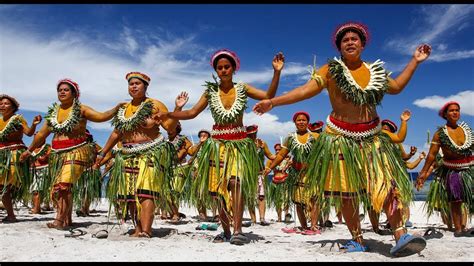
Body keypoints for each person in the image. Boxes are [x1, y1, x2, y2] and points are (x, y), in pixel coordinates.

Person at [253, 22, 431, 255]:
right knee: (347, 194)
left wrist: (414, 62)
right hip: (340, 138)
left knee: (387, 187)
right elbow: (305, 90)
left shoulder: (374, 71)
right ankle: (358, 239)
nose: (350, 42)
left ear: (362, 44)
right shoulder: (330, 70)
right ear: (339, 46)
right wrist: (273, 102)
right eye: (345, 40)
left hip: (372, 138)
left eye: (354, 39)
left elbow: (396, 87)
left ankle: (400, 235)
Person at [160, 49, 285, 245]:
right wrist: (171, 113)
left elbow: (268, 95)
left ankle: (237, 229)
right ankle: (226, 229)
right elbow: (192, 113)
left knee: (236, 183)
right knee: (217, 189)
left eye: (227, 67)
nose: (224, 70)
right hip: (216, 145)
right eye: (220, 68)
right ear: (216, 70)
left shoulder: (242, 88)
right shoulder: (210, 91)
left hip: (238, 144)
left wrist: (276, 72)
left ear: (234, 69)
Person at [20, 78, 123, 229]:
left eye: (66, 90)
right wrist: (29, 151)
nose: (62, 92)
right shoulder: (53, 114)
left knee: (64, 185)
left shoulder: (82, 109)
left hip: (77, 151)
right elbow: (41, 135)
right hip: (57, 154)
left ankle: (59, 220)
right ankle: (66, 219)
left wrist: (115, 109)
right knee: (58, 188)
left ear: (75, 94)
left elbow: (101, 117)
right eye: (59, 90)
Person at [94, 72, 182, 238]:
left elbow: (170, 127)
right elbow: (116, 133)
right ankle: (137, 228)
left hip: (151, 152)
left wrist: (177, 108)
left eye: (137, 84)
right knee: (129, 195)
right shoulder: (124, 109)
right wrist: (103, 152)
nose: (133, 86)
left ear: (145, 87)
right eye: (131, 84)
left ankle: (146, 230)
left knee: (146, 191)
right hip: (127, 153)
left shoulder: (155, 104)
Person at [416, 101, 473, 237]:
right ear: (445, 114)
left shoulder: (466, 130)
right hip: (452, 170)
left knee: (469, 198)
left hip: (468, 168)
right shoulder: (440, 134)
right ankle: (458, 229)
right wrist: (423, 173)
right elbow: (431, 155)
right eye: (452, 110)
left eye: (457, 110)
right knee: (455, 200)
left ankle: (465, 226)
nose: (455, 112)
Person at [263, 111, 321, 235]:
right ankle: (304, 226)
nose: (301, 122)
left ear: (308, 122)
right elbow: (281, 156)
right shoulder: (290, 138)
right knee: (298, 201)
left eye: (304, 120)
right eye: (298, 120)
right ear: (294, 122)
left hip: (312, 172)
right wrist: (269, 168)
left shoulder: (316, 136)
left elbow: (323, 154)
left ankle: (314, 226)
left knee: (315, 198)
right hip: (297, 172)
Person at [0, 94, 42, 222]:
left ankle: (11, 214)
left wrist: (34, 124)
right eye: (1, 104)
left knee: (4, 185)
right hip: (1, 155)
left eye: (6, 103)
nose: (2, 105)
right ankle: (11, 215)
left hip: (13, 155)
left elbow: (29, 133)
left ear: (13, 107)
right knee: (3, 187)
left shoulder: (17, 119)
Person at [246, 124, 275, 226]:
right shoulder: (244, 144)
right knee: (249, 197)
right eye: (250, 134)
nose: (253, 136)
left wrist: (282, 156)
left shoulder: (262, 143)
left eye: (254, 133)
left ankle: (262, 218)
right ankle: (253, 219)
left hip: (260, 174)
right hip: (248, 174)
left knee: (261, 197)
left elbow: (270, 156)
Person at [187, 129, 217, 222]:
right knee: (199, 193)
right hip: (198, 172)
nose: (203, 137)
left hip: (211, 172)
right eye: (201, 135)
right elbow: (191, 153)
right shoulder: (197, 146)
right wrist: (200, 143)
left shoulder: (213, 146)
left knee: (214, 194)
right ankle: (202, 214)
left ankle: (216, 214)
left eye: (205, 135)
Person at [166, 121, 193, 223]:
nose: (169, 131)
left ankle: (176, 214)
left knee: (174, 191)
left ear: (177, 128)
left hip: (179, 167)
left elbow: (191, 151)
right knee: (166, 192)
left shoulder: (183, 139)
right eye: (168, 129)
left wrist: (200, 144)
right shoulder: (165, 141)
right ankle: (174, 213)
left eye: (171, 128)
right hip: (167, 169)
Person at [265, 143, 292, 223]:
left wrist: (288, 162)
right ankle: (279, 217)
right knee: (277, 200)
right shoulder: (271, 161)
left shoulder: (286, 160)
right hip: (275, 181)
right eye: (276, 149)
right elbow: (267, 169)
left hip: (285, 181)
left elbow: (292, 164)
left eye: (279, 149)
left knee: (286, 199)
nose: (277, 151)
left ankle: (286, 215)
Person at [29, 135, 52, 214]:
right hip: (32, 171)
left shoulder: (47, 147)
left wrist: (44, 156)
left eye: (38, 136)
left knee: (37, 190)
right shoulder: (32, 148)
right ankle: (37, 207)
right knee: (34, 190)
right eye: (35, 137)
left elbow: (46, 157)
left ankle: (37, 209)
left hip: (43, 170)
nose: (36, 138)